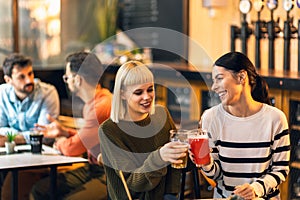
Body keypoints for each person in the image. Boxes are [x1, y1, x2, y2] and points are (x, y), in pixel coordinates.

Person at [193, 52, 290, 199]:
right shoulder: (210, 118)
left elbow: (280, 170)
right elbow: (217, 175)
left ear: (241, 77)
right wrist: (206, 163)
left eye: (219, 79)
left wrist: (255, 189)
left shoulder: (276, 119)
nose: (213, 87)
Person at [98, 60, 188, 200]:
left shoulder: (161, 115)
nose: (147, 97)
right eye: (138, 92)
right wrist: (160, 157)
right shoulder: (109, 130)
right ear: (122, 94)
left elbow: (176, 170)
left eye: (150, 89)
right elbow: (134, 184)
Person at [31, 51, 112, 200]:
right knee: (41, 189)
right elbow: (91, 139)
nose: (66, 82)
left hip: (110, 174)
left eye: (67, 77)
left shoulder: (101, 106)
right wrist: (65, 132)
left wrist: (61, 143)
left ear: (78, 79)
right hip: (93, 168)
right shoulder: (96, 102)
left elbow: (72, 148)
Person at [0, 53, 60, 145]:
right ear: (8, 80)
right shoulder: (2, 92)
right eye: (21, 77)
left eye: (30, 73)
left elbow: (45, 135)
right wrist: (26, 136)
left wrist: (10, 138)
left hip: (42, 151)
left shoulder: (48, 93)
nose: (29, 80)